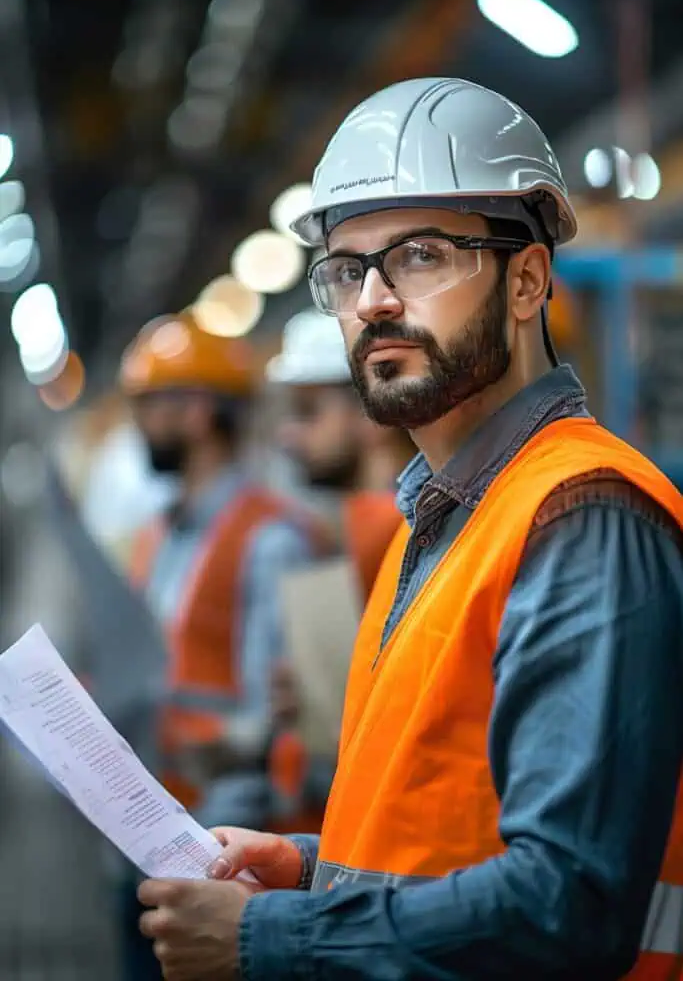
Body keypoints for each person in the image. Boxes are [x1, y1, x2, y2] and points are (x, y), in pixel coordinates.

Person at [137, 78, 683, 981]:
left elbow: (567, 902)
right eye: (348, 269)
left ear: (527, 280)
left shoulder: (580, 517)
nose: (374, 301)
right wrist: (307, 869)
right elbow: (441, 830)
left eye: (420, 256)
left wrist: (262, 938)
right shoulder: (436, 523)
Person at [117, 311, 318, 979]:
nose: (140, 423)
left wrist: (226, 744)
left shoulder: (270, 539)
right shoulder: (158, 535)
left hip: (220, 840)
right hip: (148, 822)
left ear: (198, 410)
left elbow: (284, 710)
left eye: (151, 405)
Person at [264, 308, 410, 833]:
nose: (287, 435)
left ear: (372, 415)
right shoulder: (348, 530)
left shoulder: (395, 534)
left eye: (308, 412)